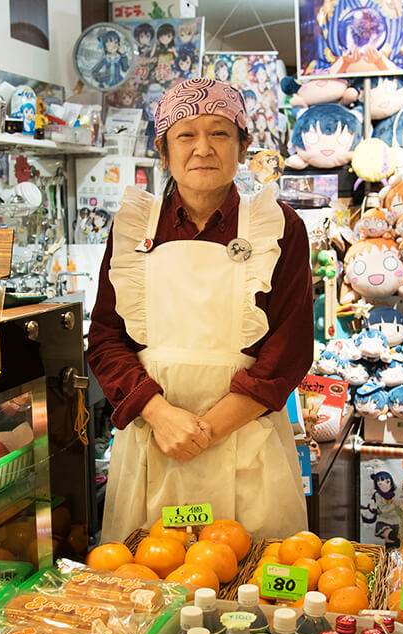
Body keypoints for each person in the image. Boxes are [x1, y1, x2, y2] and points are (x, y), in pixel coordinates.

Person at [87, 78, 312, 541]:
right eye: (185, 134)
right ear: (164, 152)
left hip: (247, 443)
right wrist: (160, 415)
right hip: (155, 444)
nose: (203, 148)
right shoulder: (133, 229)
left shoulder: (278, 226)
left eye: (220, 133)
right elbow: (106, 338)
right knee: (149, 590)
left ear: (243, 146)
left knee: (251, 597)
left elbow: (288, 350)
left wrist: (202, 433)